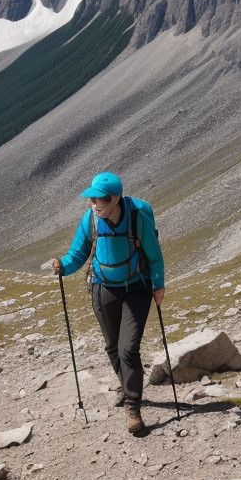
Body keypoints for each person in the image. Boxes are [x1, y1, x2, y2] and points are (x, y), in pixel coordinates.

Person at [51, 172, 165, 437]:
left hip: (137, 288)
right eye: (91, 198)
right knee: (113, 347)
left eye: (98, 199)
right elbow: (79, 252)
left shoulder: (137, 218)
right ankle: (128, 388)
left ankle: (133, 408)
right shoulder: (91, 219)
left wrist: (158, 285)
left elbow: (155, 257)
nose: (93, 203)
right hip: (102, 288)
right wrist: (63, 266)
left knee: (128, 349)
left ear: (114, 199)